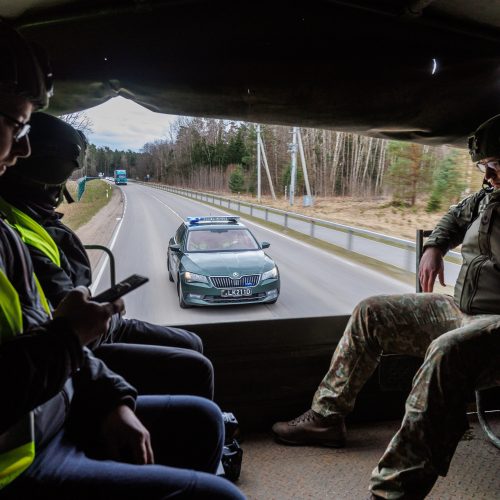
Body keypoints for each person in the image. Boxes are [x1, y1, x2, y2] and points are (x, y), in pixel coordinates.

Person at [0, 20, 244, 499]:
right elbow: (50, 339)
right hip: (20, 464)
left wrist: (111, 399)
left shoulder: (5, 236)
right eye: (15, 122)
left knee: (203, 418)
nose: (23, 147)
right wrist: (71, 335)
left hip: (54, 411)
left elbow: (38, 332)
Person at [272, 114, 500, 499]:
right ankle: (327, 418)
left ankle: (391, 493)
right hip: (462, 310)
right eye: (484, 167)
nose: (488, 174)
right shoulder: (488, 196)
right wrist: (434, 247)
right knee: (372, 312)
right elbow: (456, 216)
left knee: (447, 352)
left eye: (495, 165)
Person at [0, 111, 214, 399]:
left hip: (93, 330)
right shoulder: (18, 233)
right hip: (85, 341)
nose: (59, 193)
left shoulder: (33, 219)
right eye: (58, 183)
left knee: (192, 342)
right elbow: (62, 310)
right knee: (195, 367)